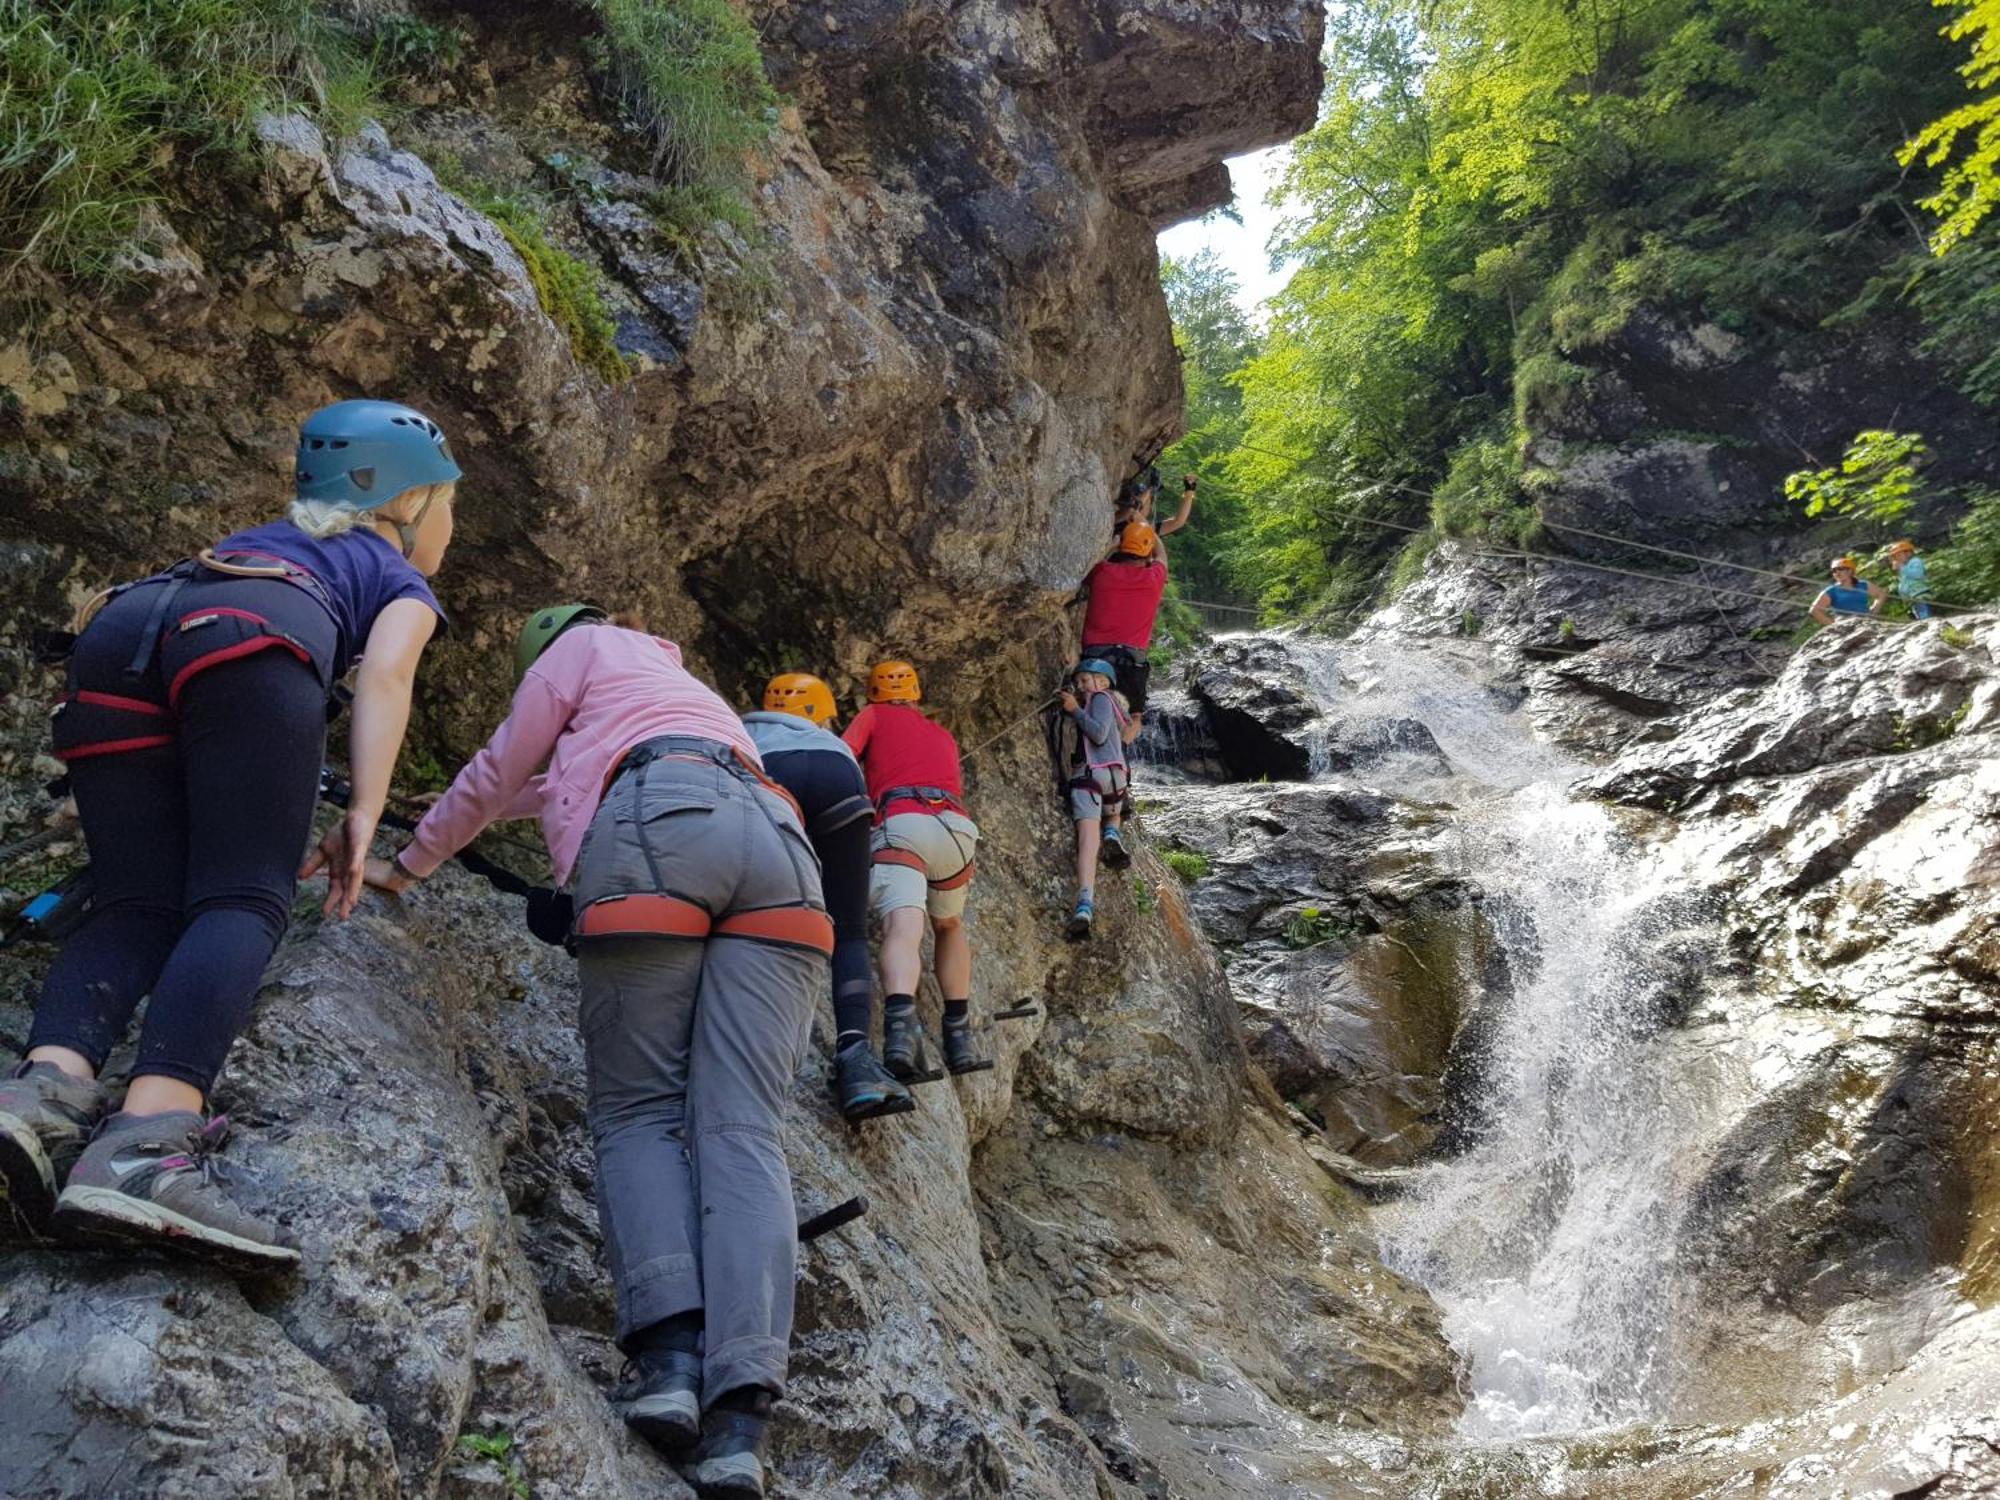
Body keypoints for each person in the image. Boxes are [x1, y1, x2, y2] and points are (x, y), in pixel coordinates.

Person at [370, 606, 825, 1497]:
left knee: (638, 1109)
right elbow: (554, 780)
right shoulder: (682, 694)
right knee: (744, 1130)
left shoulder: (579, 647)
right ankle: (739, 1422)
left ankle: (668, 1367)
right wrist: (490, 805)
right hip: (780, 848)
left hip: (661, 828)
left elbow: (507, 760)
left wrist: (411, 860)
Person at [0, 399, 457, 1267]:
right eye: (448, 503)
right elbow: (386, 676)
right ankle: (144, 1147)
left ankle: (34, 1102)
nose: (450, 527)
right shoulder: (399, 578)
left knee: (135, 901)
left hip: (123, 632)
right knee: (243, 896)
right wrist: (364, 808)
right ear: (404, 503)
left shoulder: (253, 538)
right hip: (253, 637)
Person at [745, 674, 913, 1124]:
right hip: (835, 775)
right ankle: (855, 1055)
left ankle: (757, 1038)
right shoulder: (829, 740)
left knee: (752, 913)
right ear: (821, 714)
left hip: (760, 774)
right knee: (850, 928)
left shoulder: (744, 730)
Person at [841, 662, 989, 1081]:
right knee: (949, 924)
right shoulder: (941, 734)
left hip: (903, 823)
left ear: (874, 693)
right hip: (957, 831)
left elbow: (841, 757)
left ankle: (900, 1041)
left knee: (904, 928)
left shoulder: (872, 715)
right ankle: (959, 1041)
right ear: (916, 693)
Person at [1079, 520, 1170, 747]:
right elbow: (1162, 555)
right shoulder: (1154, 578)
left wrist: (1114, 544)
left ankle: (1086, 761)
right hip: (1132, 660)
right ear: (1146, 551)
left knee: (1091, 710)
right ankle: (1121, 756)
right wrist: (1145, 523)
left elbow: (1092, 564)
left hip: (1096, 657)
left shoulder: (1102, 572)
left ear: (1122, 548)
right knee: (1134, 716)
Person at [1058, 659, 1131, 940]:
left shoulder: (1100, 698)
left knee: (1088, 843)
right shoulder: (1117, 709)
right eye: (1079, 683)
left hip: (1092, 776)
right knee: (1111, 815)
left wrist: (1074, 710)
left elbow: (1098, 734)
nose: (1082, 687)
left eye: (1086, 681)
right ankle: (1112, 831)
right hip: (1117, 782)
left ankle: (1085, 903)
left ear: (1103, 682)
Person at [1112, 470, 1197, 562]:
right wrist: (1151, 490)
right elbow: (1132, 510)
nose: (1146, 505)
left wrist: (1189, 492)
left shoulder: (1147, 530)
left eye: (1149, 502)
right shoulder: (1118, 518)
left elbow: (1178, 522)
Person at [1810, 556, 1884, 625]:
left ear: (1850, 570)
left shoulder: (1863, 585)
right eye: (1834, 570)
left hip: (1867, 621)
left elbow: (1881, 594)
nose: (1837, 573)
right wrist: (1834, 625)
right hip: (1846, 624)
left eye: (1840, 569)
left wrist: (1875, 610)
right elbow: (1814, 610)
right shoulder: (1831, 591)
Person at [1889, 540, 1933, 620]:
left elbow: (1918, 575)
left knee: (1925, 616)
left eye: (1899, 555)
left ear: (1908, 553)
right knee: (1918, 616)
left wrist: (1902, 567)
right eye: (1895, 556)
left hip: (1920, 594)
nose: (1896, 558)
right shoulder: (1904, 567)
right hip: (1912, 597)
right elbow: (1904, 583)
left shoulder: (1915, 561)